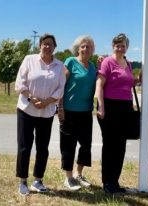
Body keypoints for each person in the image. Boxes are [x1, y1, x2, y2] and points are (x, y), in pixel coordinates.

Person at [15, 33, 66, 196]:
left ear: (54, 47)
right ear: (40, 46)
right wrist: (32, 98)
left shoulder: (59, 65)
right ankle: (23, 181)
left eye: (50, 44)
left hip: (47, 111)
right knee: (24, 147)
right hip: (26, 109)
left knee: (42, 148)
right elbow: (20, 83)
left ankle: (38, 180)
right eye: (44, 43)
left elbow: (60, 88)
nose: (47, 46)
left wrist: (47, 101)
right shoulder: (29, 60)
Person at [95, 33, 140, 195]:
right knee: (110, 146)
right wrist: (101, 106)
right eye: (117, 45)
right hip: (109, 107)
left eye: (122, 45)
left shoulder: (128, 63)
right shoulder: (107, 61)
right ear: (113, 46)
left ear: (126, 47)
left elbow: (128, 84)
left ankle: (115, 182)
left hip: (125, 108)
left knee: (120, 147)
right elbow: (99, 84)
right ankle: (107, 183)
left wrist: (138, 79)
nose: (119, 47)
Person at [58, 35, 96, 191]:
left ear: (92, 49)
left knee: (86, 145)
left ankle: (79, 174)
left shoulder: (93, 66)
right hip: (69, 111)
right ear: (78, 48)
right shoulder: (70, 62)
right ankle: (69, 178)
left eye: (88, 46)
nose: (85, 49)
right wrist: (60, 107)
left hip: (86, 111)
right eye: (83, 46)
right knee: (68, 145)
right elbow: (61, 85)